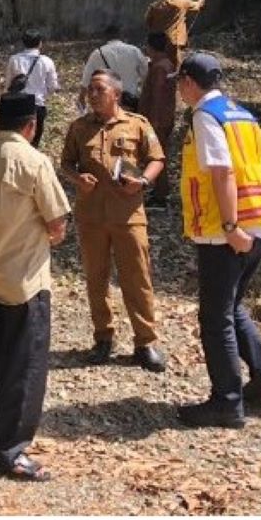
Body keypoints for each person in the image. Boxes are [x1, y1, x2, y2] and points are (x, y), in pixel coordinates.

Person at [0, 92, 70, 482]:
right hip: (25, 281)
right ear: (31, 125)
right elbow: (57, 224)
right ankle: (9, 452)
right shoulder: (35, 162)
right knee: (24, 367)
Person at [174, 53, 261, 428]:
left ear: (189, 82)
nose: (179, 91)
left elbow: (222, 173)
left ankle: (226, 401)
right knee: (233, 307)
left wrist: (229, 225)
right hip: (258, 222)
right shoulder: (243, 114)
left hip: (224, 231)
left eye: (180, 83)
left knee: (215, 317)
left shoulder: (206, 116)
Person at [60, 70, 167, 373]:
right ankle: (103, 338)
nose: (92, 95)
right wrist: (77, 178)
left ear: (116, 94)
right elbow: (66, 163)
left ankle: (145, 342)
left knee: (137, 278)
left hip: (128, 216)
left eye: (99, 90)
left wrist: (143, 181)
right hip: (91, 216)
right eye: (90, 90)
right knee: (96, 278)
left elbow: (157, 158)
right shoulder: (79, 128)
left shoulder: (137, 124)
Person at [4, 29, 61, 147]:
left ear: (23, 43)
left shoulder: (14, 59)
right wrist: (43, 93)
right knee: (34, 144)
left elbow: (8, 85)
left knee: (16, 143)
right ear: (40, 43)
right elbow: (53, 87)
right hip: (37, 105)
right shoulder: (47, 61)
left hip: (18, 105)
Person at [139, 33, 177, 206]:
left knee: (157, 156)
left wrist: (153, 121)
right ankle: (159, 189)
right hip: (165, 117)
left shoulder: (160, 68)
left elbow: (157, 95)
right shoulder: (167, 64)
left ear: (151, 47)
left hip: (158, 120)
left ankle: (161, 195)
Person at [78, 25, 147, 112]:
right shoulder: (134, 51)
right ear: (121, 35)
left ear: (105, 37)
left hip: (107, 104)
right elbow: (146, 75)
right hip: (130, 103)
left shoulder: (97, 53)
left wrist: (81, 98)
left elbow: (86, 80)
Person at [144, 0, 208, 65]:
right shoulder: (182, 3)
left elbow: (148, 22)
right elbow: (199, 5)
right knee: (175, 66)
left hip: (157, 42)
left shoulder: (154, 6)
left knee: (157, 64)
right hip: (174, 42)